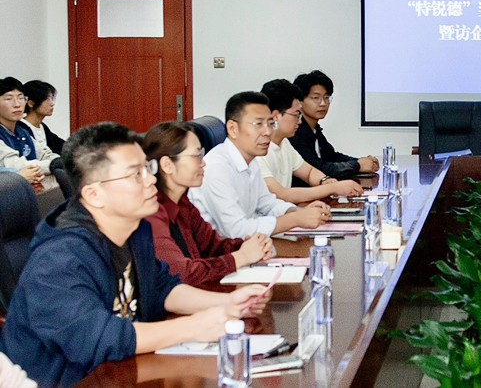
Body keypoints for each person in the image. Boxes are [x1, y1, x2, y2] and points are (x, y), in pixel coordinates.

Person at [0, 122, 270, 387]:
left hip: (123, 373)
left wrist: (225, 303)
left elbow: (161, 286)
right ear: (94, 194)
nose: (151, 179)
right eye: (136, 174)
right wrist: (193, 327)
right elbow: (98, 338)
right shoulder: (59, 258)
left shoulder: (135, 228)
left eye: (147, 168)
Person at [143, 122, 274, 286]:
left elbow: (212, 246)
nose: (203, 162)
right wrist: (241, 257)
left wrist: (250, 246)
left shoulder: (182, 203)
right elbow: (182, 273)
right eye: (196, 156)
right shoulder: (151, 213)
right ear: (167, 165)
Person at [188, 91, 332, 239]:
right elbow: (236, 230)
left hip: (244, 247)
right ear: (232, 129)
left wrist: (298, 212)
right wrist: (295, 219)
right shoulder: (216, 167)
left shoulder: (250, 160)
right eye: (258, 124)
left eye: (270, 124)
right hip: (218, 250)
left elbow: (268, 204)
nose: (268, 132)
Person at [259, 79, 363, 203]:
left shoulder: (284, 143)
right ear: (276, 116)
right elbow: (281, 195)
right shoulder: (257, 151)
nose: (299, 121)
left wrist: (325, 181)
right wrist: (332, 188)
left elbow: (309, 172)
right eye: (296, 115)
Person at [289, 70, 378, 181]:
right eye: (316, 98)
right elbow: (318, 169)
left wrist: (362, 161)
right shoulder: (295, 132)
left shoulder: (314, 129)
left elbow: (332, 156)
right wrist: (358, 165)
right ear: (300, 102)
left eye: (327, 97)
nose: (323, 103)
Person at [0, 77, 57, 191]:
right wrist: (55, 165)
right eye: (9, 99)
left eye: (21, 98)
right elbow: (16, 165)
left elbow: (44, 154)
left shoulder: (22, 132)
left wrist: (60, 162)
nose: (17, 104)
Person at [19, 80, 64, 155]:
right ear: (31, 103)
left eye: (52, 99)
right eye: (47, 99)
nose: (52, 104)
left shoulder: (44, 128)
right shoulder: (19, 128)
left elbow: (64, 147)